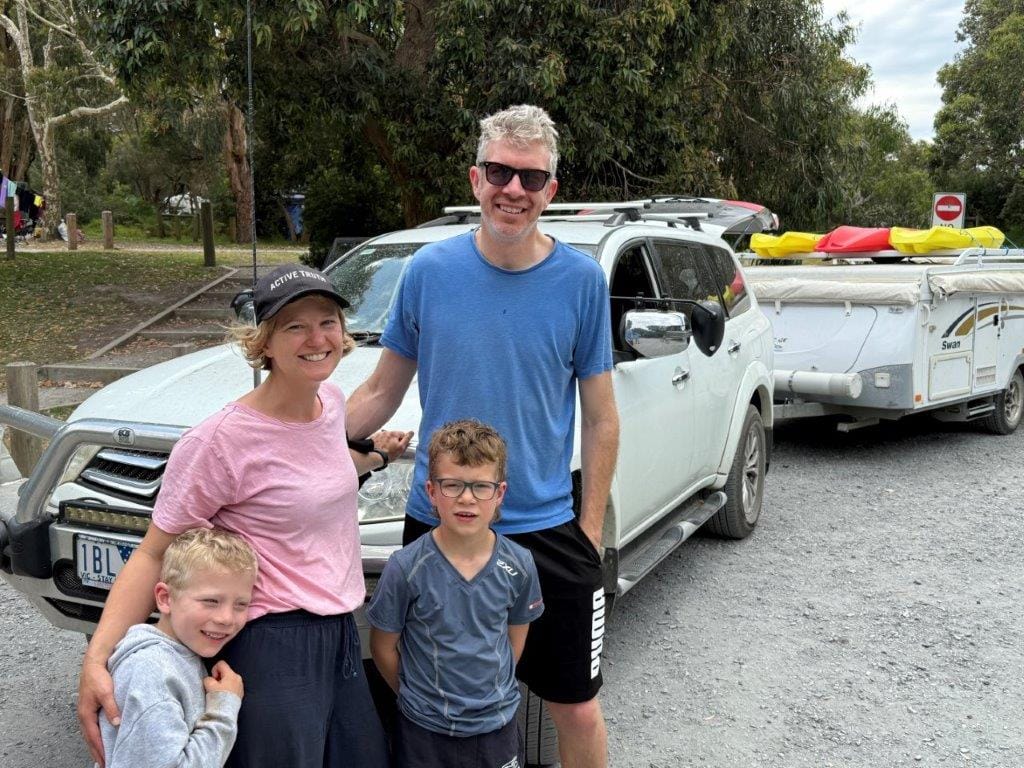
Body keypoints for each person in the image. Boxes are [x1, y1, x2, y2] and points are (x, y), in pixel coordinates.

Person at [347, 105, 620, 768]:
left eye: (531, 177)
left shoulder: (582, 282)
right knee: (427, 697)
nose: (514, 189)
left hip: (548, 526)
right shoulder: (429, 273)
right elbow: (382, 390)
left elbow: (602, 416)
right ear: (476, 178)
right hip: (439, 524)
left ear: (551, 191)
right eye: (500, 171)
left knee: (577, 708)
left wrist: (586, 527)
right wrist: (289, 437)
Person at [78, 263, 412, 768]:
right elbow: (153, 553)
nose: (315, 337)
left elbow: (309, 478)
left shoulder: (331, 405)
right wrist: (97, 659)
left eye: (327, 321)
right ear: (263, 343)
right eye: (294, 326)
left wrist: (372, 458)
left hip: (340, 632)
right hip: (268, 640)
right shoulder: (220, 442)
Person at [367, 420, 544, 768]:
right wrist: (415, 698)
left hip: (497, 727)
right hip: (425, 732)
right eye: (453, 486)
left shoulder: (520, 565)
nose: (466, 498)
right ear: (432, 492)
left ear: (500, 493)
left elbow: (514, 640)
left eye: (481, 486)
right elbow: (383, 646)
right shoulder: (406, 568)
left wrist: (489, 695)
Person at [99, 528, 257, 768]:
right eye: (210, 601)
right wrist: (224, 707)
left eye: (241, 604)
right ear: (164, 598)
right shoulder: (152, 673)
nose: (226, 618)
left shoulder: (177, 655)